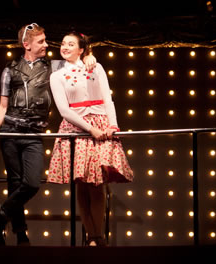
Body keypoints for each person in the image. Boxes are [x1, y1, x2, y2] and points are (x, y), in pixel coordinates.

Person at [0, 23, 96, 246]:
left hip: (34, 133)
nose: (46, 45)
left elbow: (78, 62)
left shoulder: (54, 67)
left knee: (32, 183)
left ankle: (0, 217)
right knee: (15, 183)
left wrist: (90, 57)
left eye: (45, 40)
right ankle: (20, 233)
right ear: (27, 44)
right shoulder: (10, 68)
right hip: (10, 132)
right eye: (41, 41)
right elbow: (3, 105)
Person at [47, 32, 134, 246]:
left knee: (96, 184)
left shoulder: (95, 66)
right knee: (82, 185)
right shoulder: (56, 74)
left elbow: (107, 98)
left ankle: (98, 236)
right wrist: (89, 129)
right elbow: (64, 110)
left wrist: (112, 124)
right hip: (77, 127)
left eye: (71, 44)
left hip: (101, 125)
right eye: (63, 43)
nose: (65, 47)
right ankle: (92, 237)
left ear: (82, 49)